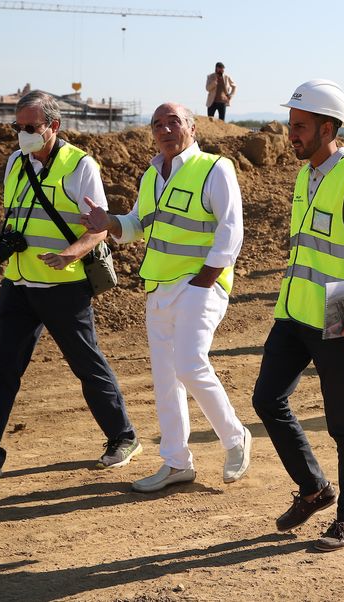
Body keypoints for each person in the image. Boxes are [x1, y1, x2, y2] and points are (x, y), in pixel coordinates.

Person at [0, 90, 139, 485]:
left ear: (53, 126)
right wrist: (1, 236)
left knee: (86, 363)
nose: (22, 134)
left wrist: (69, 255)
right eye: (18, 127)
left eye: (30, 127)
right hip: (18, 282)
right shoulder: (16, 161)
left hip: (64, 286)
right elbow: (12, 214)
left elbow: (99, 228)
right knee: (1, 368)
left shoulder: (80, 165)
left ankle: (123, 437)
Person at [83, 102, 251, 493]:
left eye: (173, 121)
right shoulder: (151, 175)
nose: (165, 129)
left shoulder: (215, 168)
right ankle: (176, 462)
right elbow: (137, 225)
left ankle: (236, 437)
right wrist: (109, 222)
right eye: (157, 124)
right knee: (165, 378)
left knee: (190, 365)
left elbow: (231, 229)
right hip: (159, 287)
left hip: (200, 283)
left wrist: (206, 279)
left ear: (192, 128)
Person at [251, 79, 344, 553]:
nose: (291, 134)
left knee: (342, 422)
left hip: (339, 310)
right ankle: (314, 489)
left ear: (328, 128)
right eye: (291, 125)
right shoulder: (305, 175)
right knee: (267, 400)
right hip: (294, 309)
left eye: (300, 126)